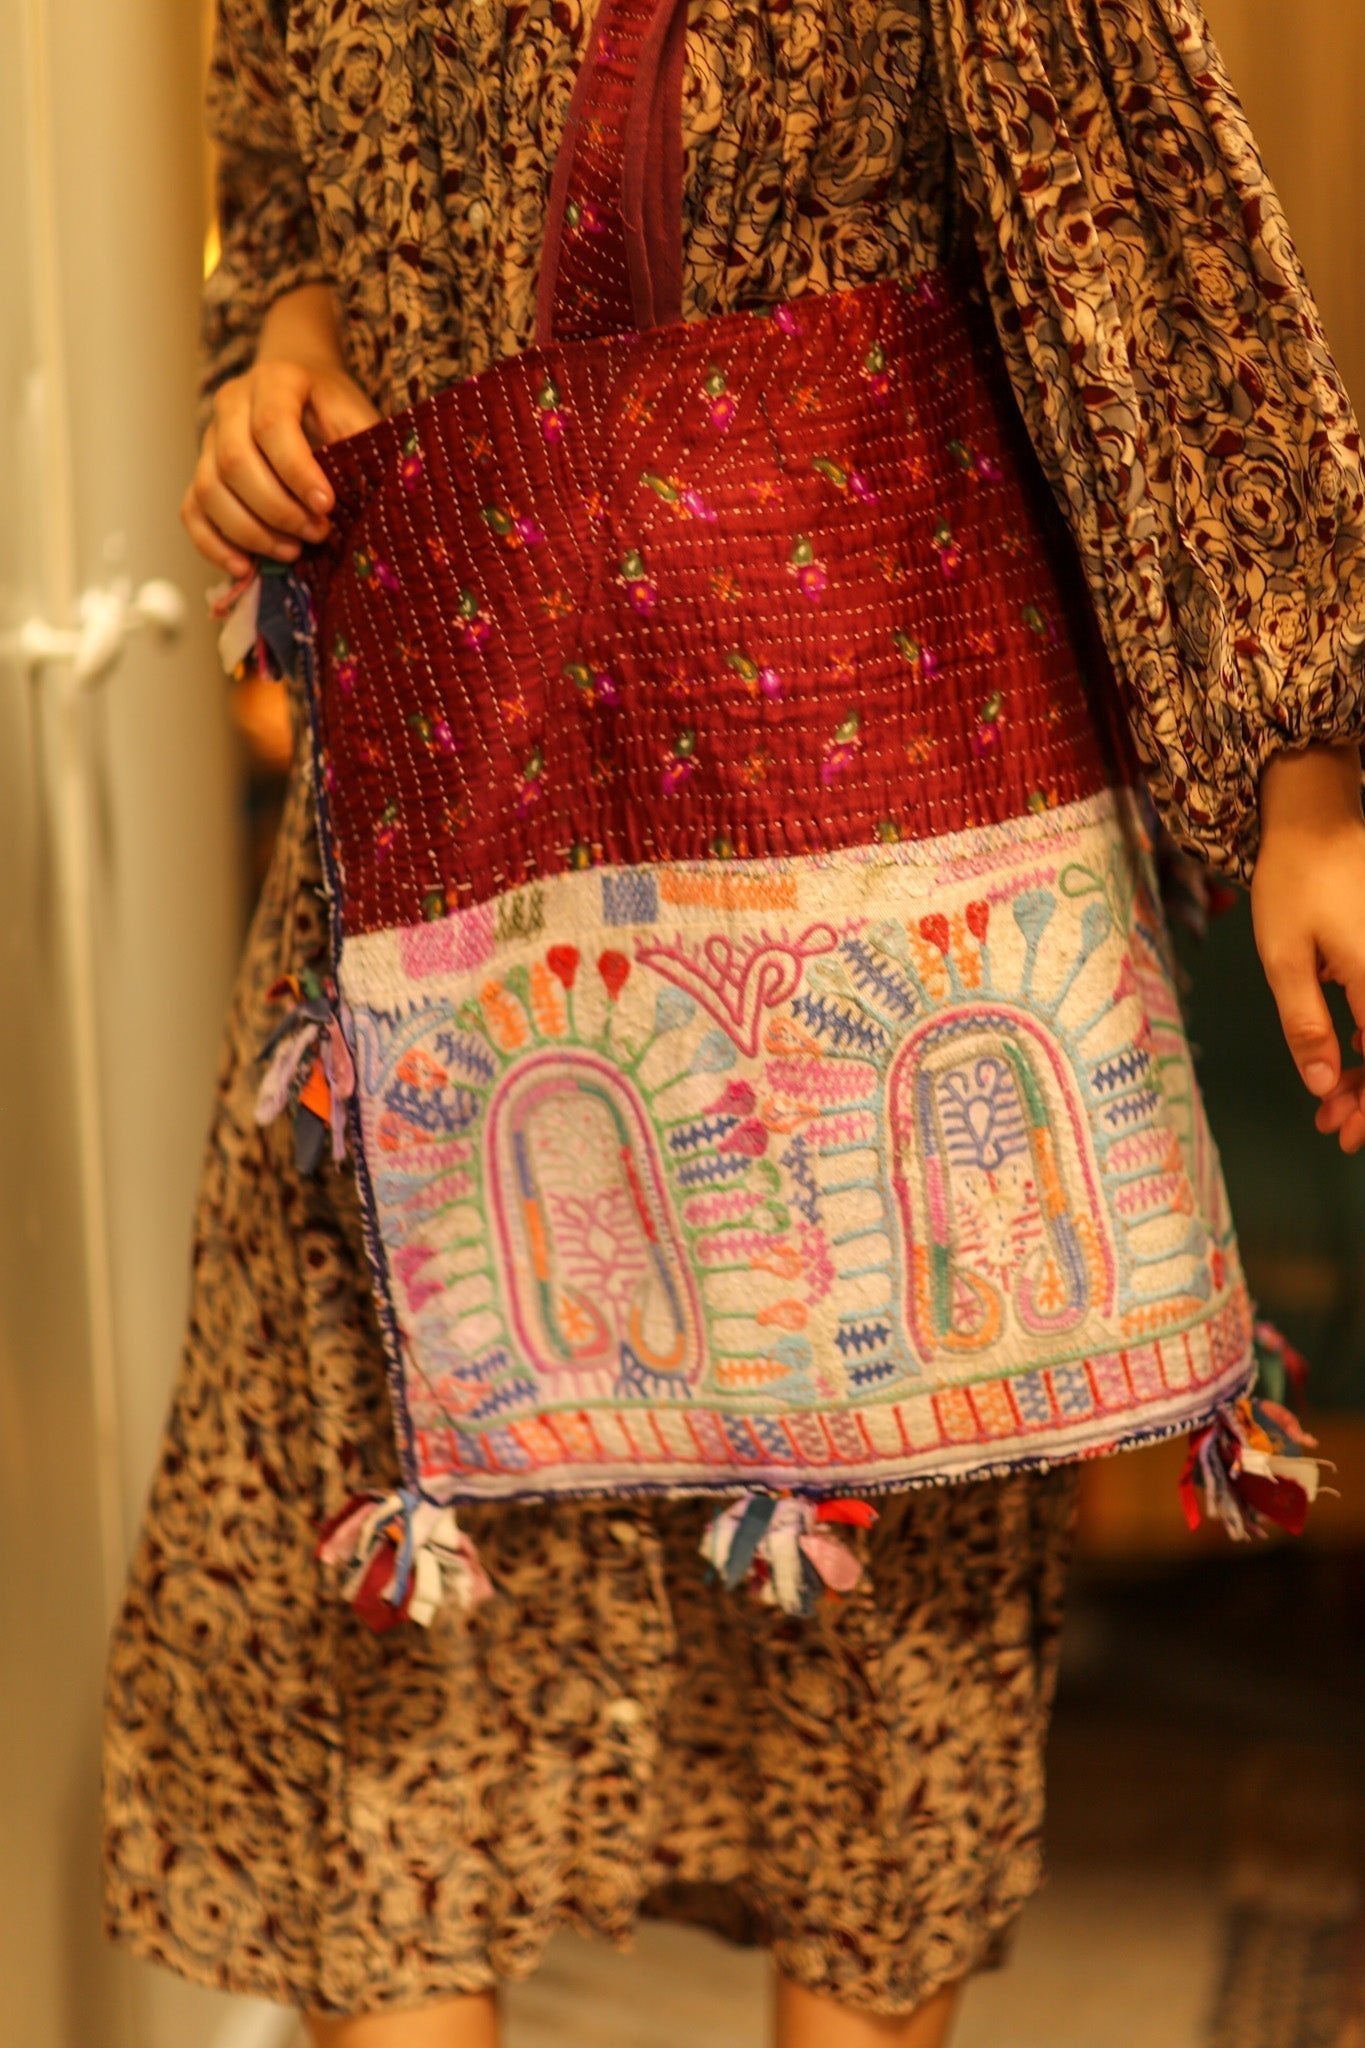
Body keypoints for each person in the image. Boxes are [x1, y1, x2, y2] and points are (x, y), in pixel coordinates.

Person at [103, 4, 1365, 2045]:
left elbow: (1130, 225)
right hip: (449, 873)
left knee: (870, 1689)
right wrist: (289, 348)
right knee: (391, 1694)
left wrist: (1306, 770)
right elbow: (283, 198)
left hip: (869, 882)